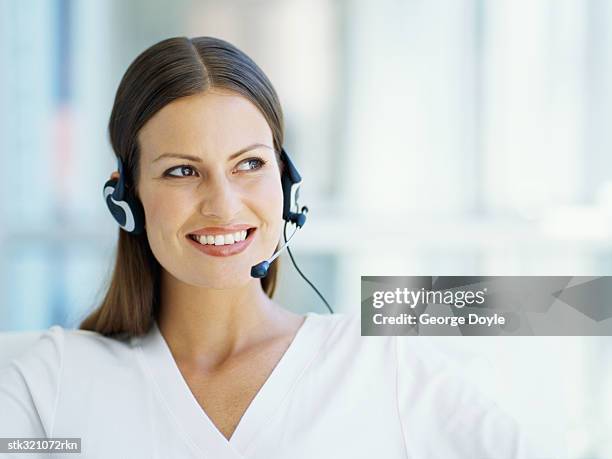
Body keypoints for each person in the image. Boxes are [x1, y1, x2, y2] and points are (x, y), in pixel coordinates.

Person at [0, 36, 535, 458]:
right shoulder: (55, 382)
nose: (223, 205)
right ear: (126, 196)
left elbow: (571, 308)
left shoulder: (378, 363)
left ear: (287, 183)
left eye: (249, 164)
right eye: (182, 171)